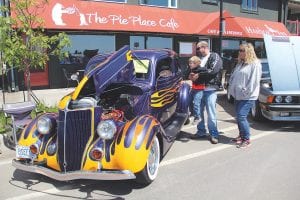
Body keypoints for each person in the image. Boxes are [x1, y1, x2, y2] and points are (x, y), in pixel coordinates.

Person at [228, 43, 262, 148]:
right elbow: (234, 76)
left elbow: (254, 81)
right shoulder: (241, 63)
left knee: (242, 116)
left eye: (242, 50)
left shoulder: (255, 64)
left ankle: (246, 139)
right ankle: (241, 135)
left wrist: (245, 91)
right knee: (238, 117)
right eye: (239, 50)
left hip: (247, 96)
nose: (239, 52)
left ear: (248, 51)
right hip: (238, 95)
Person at [190, 41, 223, 144]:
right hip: (199, 90)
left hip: (210, 89)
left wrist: (199, 75)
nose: (198, 50)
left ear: (204, 47)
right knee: (199, 112)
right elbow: (193, 70)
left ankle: (214, 134)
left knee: (211, 113)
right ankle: (201, 132)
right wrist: (191, 75)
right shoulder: (200, 59)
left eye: (199, 48)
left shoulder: (214, 56)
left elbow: (213, 70)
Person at [187, 56, 206, 125]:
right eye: (189, 63)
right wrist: (190, 76)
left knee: (196, 104)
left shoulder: (200, 69)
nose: (189, 64)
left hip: (199, 90)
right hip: (194, 88)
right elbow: (189, 77)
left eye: (191, 63)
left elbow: (205, 70)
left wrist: (198, 74)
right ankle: (192, 113)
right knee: (188, 101)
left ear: (196, 63)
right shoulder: (192, 70)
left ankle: (198, 117)